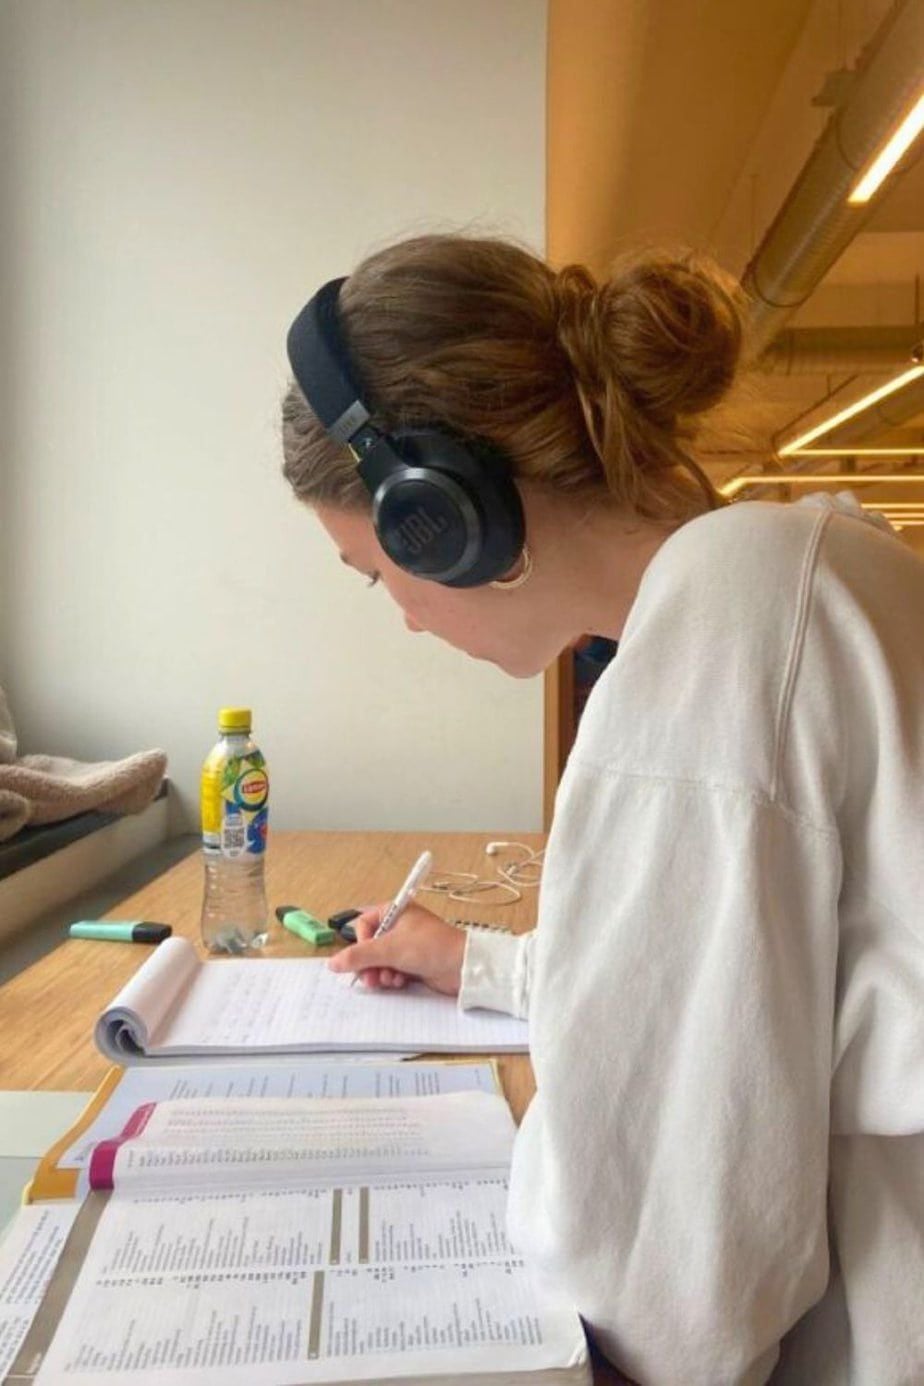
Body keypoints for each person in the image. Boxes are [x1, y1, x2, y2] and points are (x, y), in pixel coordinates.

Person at [280, 234, 924, 1385]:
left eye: (380, 573)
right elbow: (773, 991)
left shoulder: (730, 634)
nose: (407, 619)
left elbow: (678, 1280)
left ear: (447, 513)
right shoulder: (810, 571)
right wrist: (476, 964)